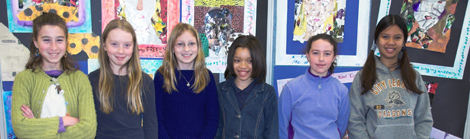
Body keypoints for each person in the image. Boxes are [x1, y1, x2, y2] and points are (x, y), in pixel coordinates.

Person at [11, 12, 96, 138]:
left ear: (66, 42)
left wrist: (37, 128)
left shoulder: (80, 80)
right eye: (46, 40)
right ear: (36, 43)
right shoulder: (24, 80)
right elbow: (21, 128)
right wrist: (64, 121)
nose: (53, 47)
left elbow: (88, 130)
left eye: (59, 40)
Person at [348, 14, 433, 139]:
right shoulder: (363, 77)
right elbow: (355, 121)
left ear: (404, 41)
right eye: (385, 37)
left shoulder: (414, 77)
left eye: (397, 37)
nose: (391, 42)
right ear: (376, 40)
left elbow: (424, 119)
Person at [88, 19, 158, 139]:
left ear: (133, 47)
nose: (121, 51)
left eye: (127, 45)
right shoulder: (92, 80)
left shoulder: (145, 82)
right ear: (104, 45)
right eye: (114, 44)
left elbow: (150, 125)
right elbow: (88, 124)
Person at [154, 23, 218, 138]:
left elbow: (212, 120)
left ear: (198, 47)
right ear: (172, 48)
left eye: (191, 44)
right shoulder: (162, 76)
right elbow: (157, 118)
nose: (186, 49)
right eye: (180, 44)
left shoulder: (206, 77)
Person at [278, 34, 349, 139]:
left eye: (327, 54)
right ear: (307, 55)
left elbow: (341, 127)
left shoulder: (342, 91)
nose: (321, 59)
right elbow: (282, 127)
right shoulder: (291, 88)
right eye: (315, 53)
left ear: (334, 57)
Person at [216, 35, 279, 138]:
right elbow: (217, 128)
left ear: (258, 61)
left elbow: (272, 132)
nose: (243, 66)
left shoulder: (267, 93)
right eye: (237, 60)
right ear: (231, 61)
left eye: (249, 61)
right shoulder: (220, 90)